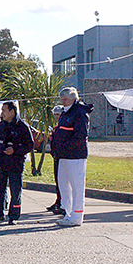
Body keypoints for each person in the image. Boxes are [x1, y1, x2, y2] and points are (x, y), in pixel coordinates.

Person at [53, 87, 93, 227]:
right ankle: (68, 214)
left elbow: (80, 135)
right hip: (63, 155)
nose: (63, 102)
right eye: (62, 99)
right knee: (63, 184)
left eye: (65, 99)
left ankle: (77, 215)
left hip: (76, 155)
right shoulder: (65, 112)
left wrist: (65, 146)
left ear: (73, 98)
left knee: (77, 185)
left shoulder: (80, 112)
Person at [0, 102, 34, 225]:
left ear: (12, 112)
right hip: (0, 164)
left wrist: (15, 150)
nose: (1, 113)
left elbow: (29, 145)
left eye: (4, 110)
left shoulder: (23, 127)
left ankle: (13, 216)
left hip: (15, 164)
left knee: (15, 191)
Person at [46, 105, 65, 215]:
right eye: (55, 115)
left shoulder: (63, 127)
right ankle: (58, 201)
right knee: (58, 181)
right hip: (56, 156)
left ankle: (62, 203)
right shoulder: (56, 127)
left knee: (62, 182)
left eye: (58, 114)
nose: (57, 117)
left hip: (63, 157)